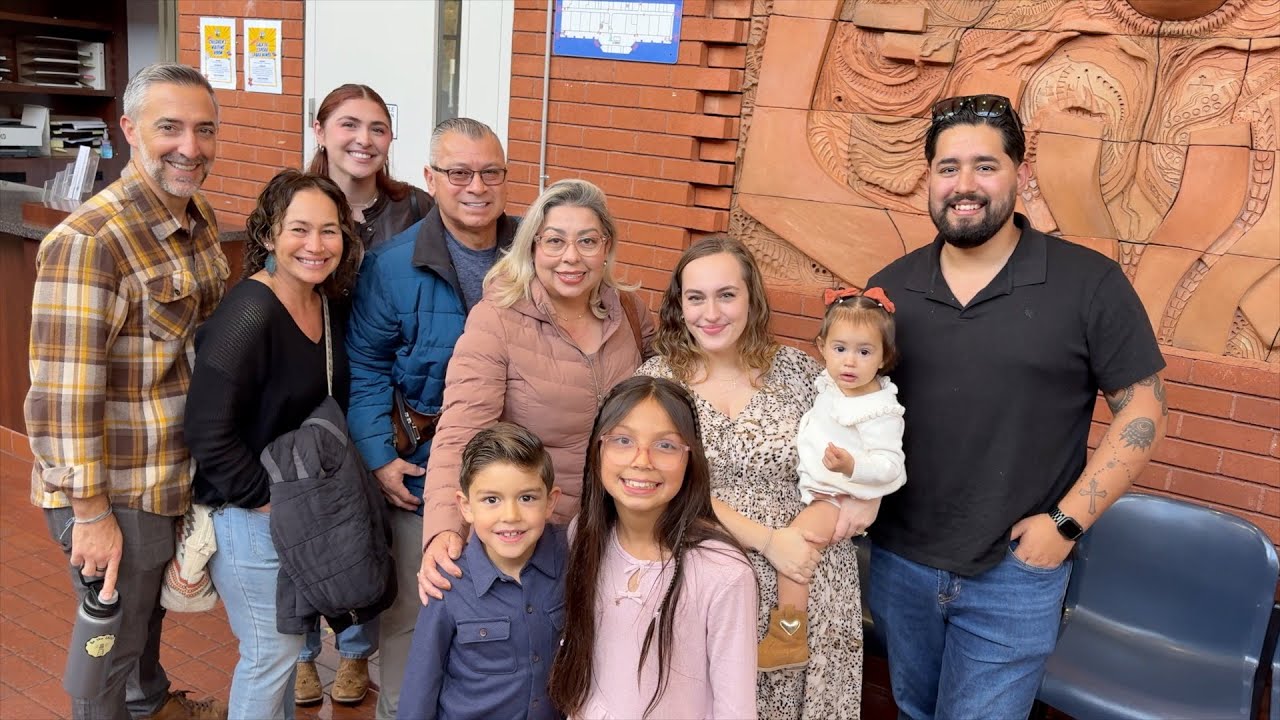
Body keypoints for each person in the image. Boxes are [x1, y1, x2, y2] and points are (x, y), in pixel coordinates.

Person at [865, 93, 1168, 720]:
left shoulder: (1088, 283)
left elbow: (1143, 407)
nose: (964, 185)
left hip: (1015, 571)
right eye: (948, 168)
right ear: (928, 178)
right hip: (901, 563)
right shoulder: (889, 290)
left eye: (985, 165)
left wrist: (1065, 525)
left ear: (1022, 174)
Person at [25, 63, 228, 720]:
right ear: (129, 128)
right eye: (170, 128)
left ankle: (151, 704)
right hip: (118, 490)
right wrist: (90, 515)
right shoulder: (91, 241)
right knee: (107, 649)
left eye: (204, 130)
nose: (189, 148)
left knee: (142, 628)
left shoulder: (196, 216)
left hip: (171, 473)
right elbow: (62, 398)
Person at [637, 235, 865, 719]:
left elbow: (864, 446)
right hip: (702, 574)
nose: (711, 312)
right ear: (679, 305)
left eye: (726, 294)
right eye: (695, 297)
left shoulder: (805, 375)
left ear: (751, 299)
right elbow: (659, 484)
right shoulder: (657, 383)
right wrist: (768, 540)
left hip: (807, 578)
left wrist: (860, 501)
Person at [344, 117, 517, 720]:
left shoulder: (534, 253)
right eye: (459, 172)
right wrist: (378, 456)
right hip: (420, 472)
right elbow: (364, 368)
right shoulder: (392, 265)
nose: (476, 186)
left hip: (517, 481)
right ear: (430, 178)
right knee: (416, 619)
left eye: (490, 172)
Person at [416, 178, 654, 604]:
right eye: (555, 241)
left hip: (619, 534)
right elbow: (460, 435)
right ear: (533, 247)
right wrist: (445, 529)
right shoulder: (498, 322)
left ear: (606, 248)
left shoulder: (631, 315)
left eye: (587, 241)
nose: (571, 257)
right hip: (531, 540)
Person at [184, 170, 364, 719]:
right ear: (267, 235)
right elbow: (207, 430)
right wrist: (268, 499)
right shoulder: (250, 313)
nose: (316, 245)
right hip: (248, 515)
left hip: (294, 512)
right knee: (272, 652)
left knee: (283, 654)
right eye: (299, 230)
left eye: (329, 231)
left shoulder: (323, 302)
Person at [295, 82, 433, 707]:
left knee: (368, 525)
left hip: (384, 394)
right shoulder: (295, 202)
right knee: (307, 519)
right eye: (349, 125)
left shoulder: (416, 209)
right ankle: (299, 651)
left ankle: (354, 652)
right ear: (320, 130)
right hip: (307, 383)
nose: (364, 140)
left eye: (378, 128)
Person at [548, 376, 758, 719]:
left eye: (665, 445)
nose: (642, 460)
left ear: (690, 458)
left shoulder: (724, 573)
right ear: (597, 449)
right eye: (623, 440)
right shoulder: (583, 537)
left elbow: (736, 709)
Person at [757, 287, 906, 671]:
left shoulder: (879, 411)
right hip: (819, 489)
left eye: (864, 351)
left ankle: (789, 635)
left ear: (884, 356)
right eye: (840, 349)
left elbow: (892, 467)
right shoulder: (830, 383)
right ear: (822, 347)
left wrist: (851, 466)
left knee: (793, 551)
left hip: (836, 498)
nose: (850, 362)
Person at [397, 423, 567, 720]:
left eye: (527, 498)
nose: (511, 516)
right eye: (491, 500)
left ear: (550, 502)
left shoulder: (570, 556)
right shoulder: (446, 581)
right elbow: (421, 682)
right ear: (466, 506)